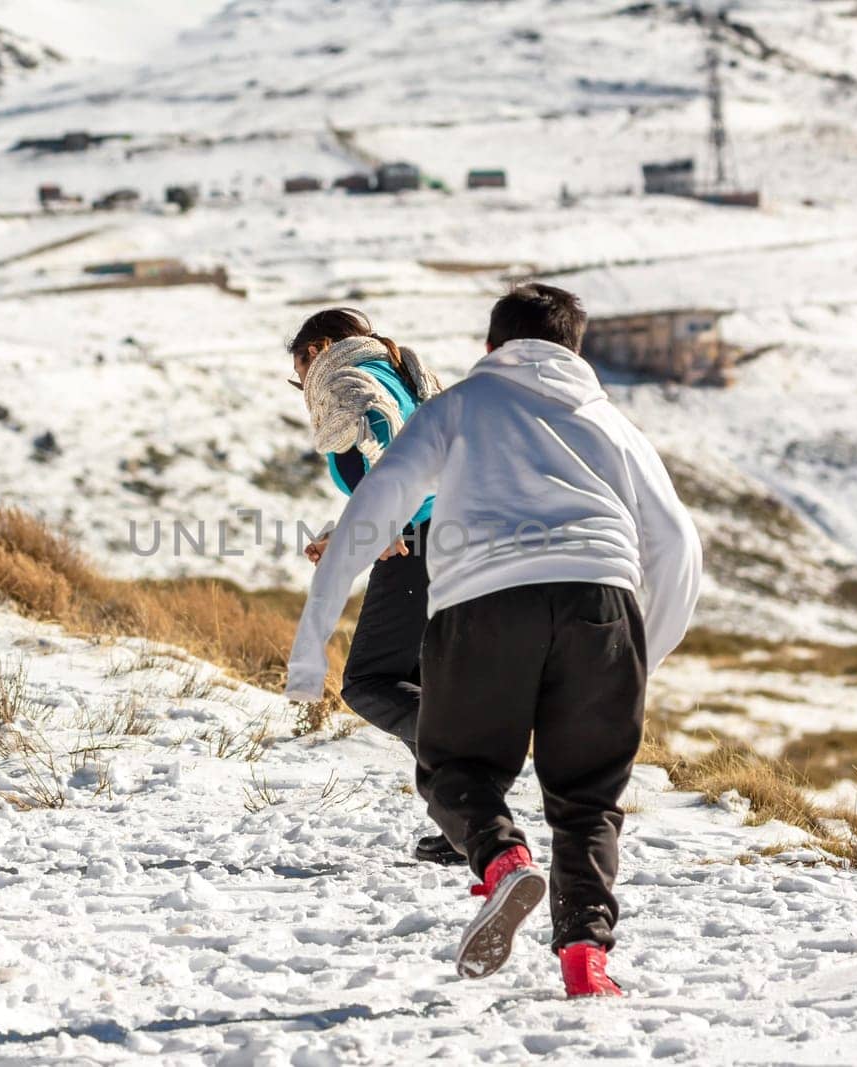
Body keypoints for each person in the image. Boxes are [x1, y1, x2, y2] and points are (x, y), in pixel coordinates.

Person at [285, 284, 702, 997]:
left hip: (482, 603)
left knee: (457, 766)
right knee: (587, 799)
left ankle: (502, 858)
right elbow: (676, 546)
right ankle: (584, 962)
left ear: (490, 348)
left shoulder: (458, 407)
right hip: (600, 604)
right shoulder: (613, 424)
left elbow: (376, 507)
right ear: (575, 348)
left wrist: (309, 649)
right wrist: (637, 659)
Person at [286, 307, 461, 866]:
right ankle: (465, 826)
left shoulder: (343, 377)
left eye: (298, 373)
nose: (303, 389)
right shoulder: (402, 373)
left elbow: (385, 449)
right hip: (452, 529)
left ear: (318, 348)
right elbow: (406, 461)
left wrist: (383, 521)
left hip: (418, 536)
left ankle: (472, 746)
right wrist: (348, 533)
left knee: (369, 682)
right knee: (411, 681)